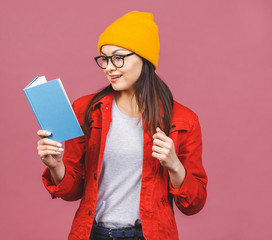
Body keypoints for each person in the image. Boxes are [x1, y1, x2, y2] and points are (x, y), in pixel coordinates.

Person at [36, 11, 207, 240]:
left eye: (118, 57)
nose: (108, 67)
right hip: (92, 233)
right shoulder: (86, 110)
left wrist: (174, 165)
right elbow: (72, 191)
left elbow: (193, 204)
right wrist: (57, 166)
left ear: (144, 58)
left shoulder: (182, 120)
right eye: (104, 59)